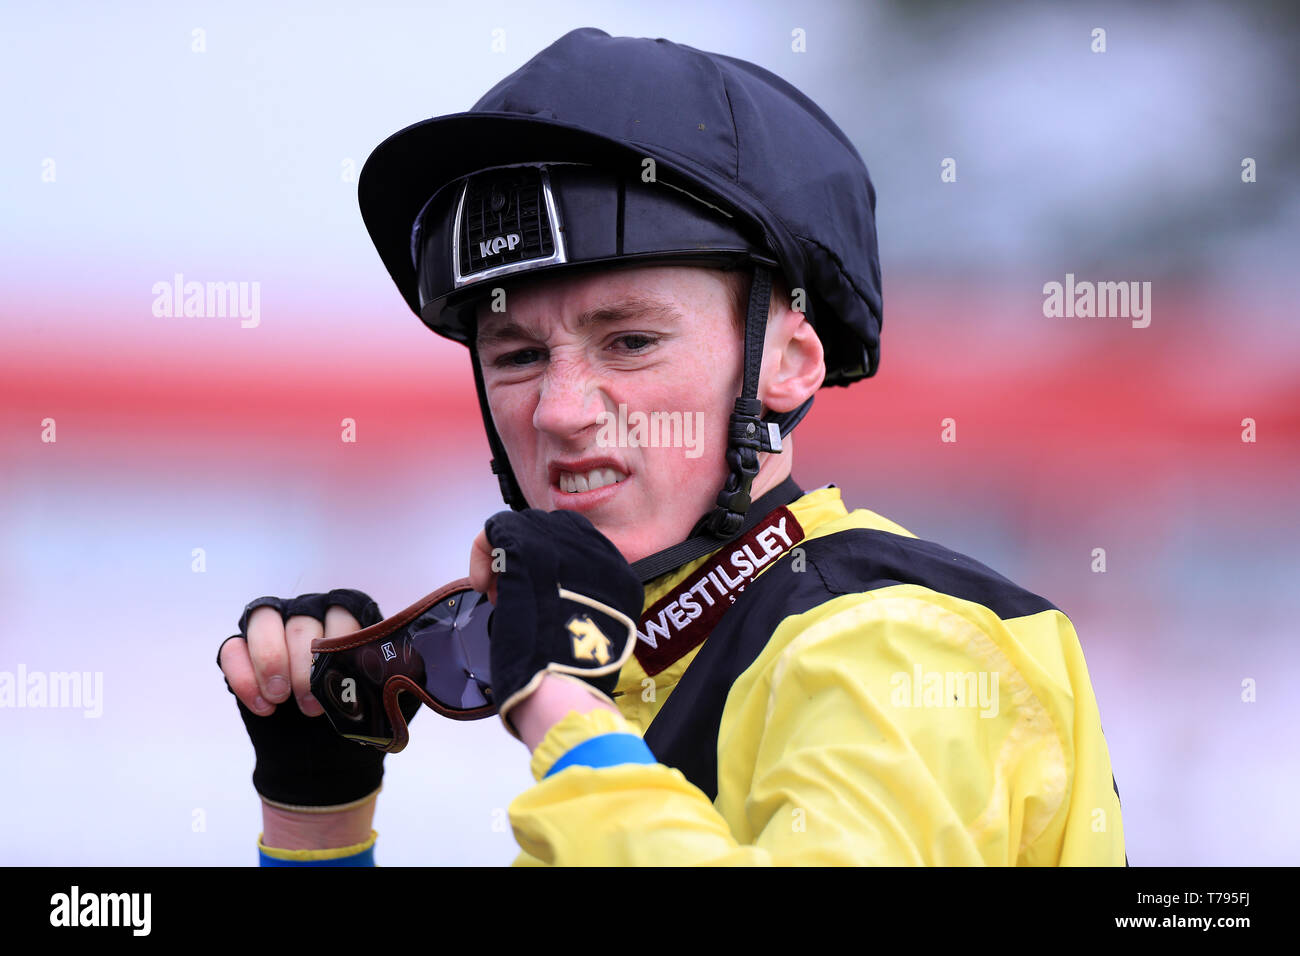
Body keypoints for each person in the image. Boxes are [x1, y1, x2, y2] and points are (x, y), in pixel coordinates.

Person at [218, 28, 1126, 866]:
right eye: (521, 356)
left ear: (789, 363)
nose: (563, 411)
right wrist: (317, 824)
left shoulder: (900, 645)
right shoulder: (642, 686)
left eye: (631, 342)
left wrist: (557, 706)